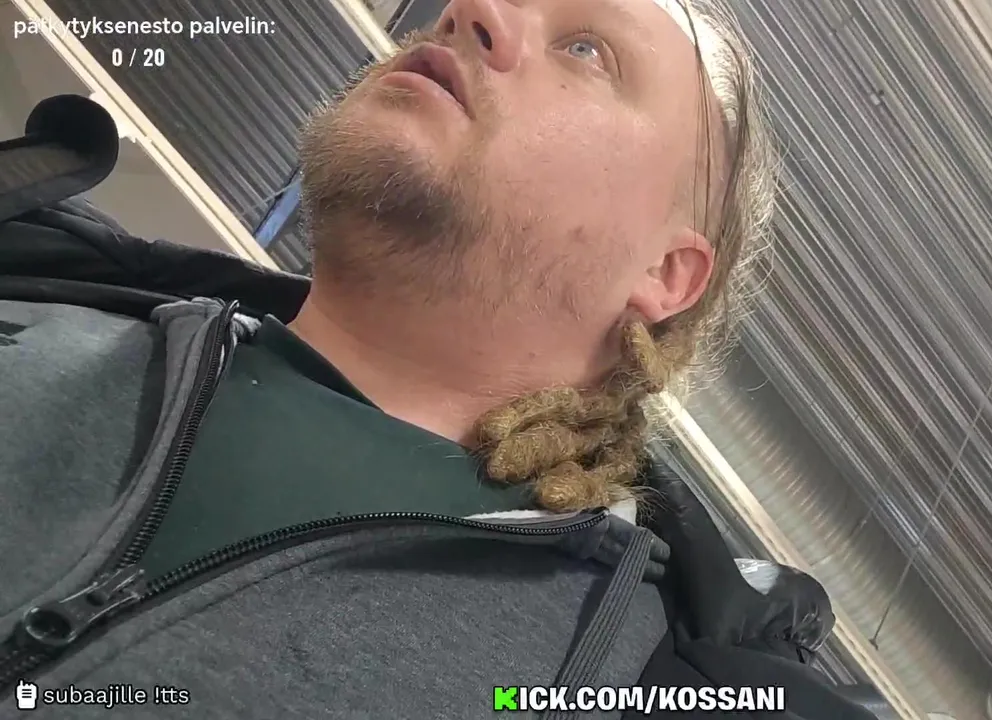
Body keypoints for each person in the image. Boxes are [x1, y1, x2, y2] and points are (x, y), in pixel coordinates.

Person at [0, 0, 875, 717]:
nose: (470, 11)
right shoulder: (33, 278)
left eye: (586, 49)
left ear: (666, 273)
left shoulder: (643, 679)